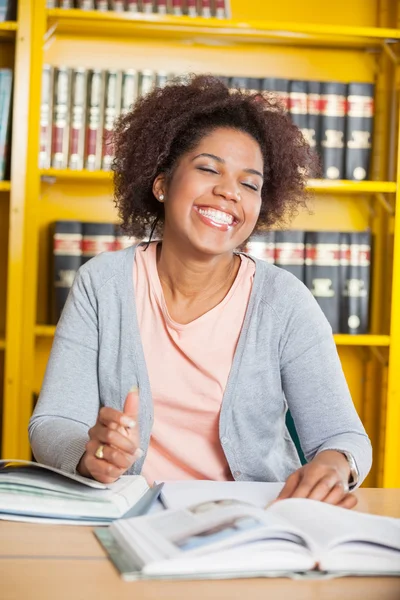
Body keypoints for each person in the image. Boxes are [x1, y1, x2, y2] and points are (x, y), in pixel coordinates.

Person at [29, 75, 372, 509]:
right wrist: (87, 453)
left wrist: (334, 465)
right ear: (161, 184)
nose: (229, 192)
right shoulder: (103, 284)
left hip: (253, 523)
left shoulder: (284, 301)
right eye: (208, 169)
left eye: (250, 184)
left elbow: (343, 436)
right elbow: (53, 421)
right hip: (131, 517)